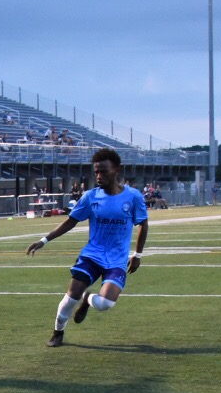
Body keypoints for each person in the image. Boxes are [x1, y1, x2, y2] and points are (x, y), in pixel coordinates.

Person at [28, 147, 148, 347]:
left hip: (117, 260)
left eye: (103, 171)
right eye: (96, 172)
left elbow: (143, 224)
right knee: (70, 297)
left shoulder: (133, 197)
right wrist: (43, 240)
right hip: (92, 256)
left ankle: (88, 298)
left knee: (105, 303)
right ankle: (58, 332)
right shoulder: (90, 197)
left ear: (116, 170)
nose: (98, 176)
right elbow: (70, 222)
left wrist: (138, 255)